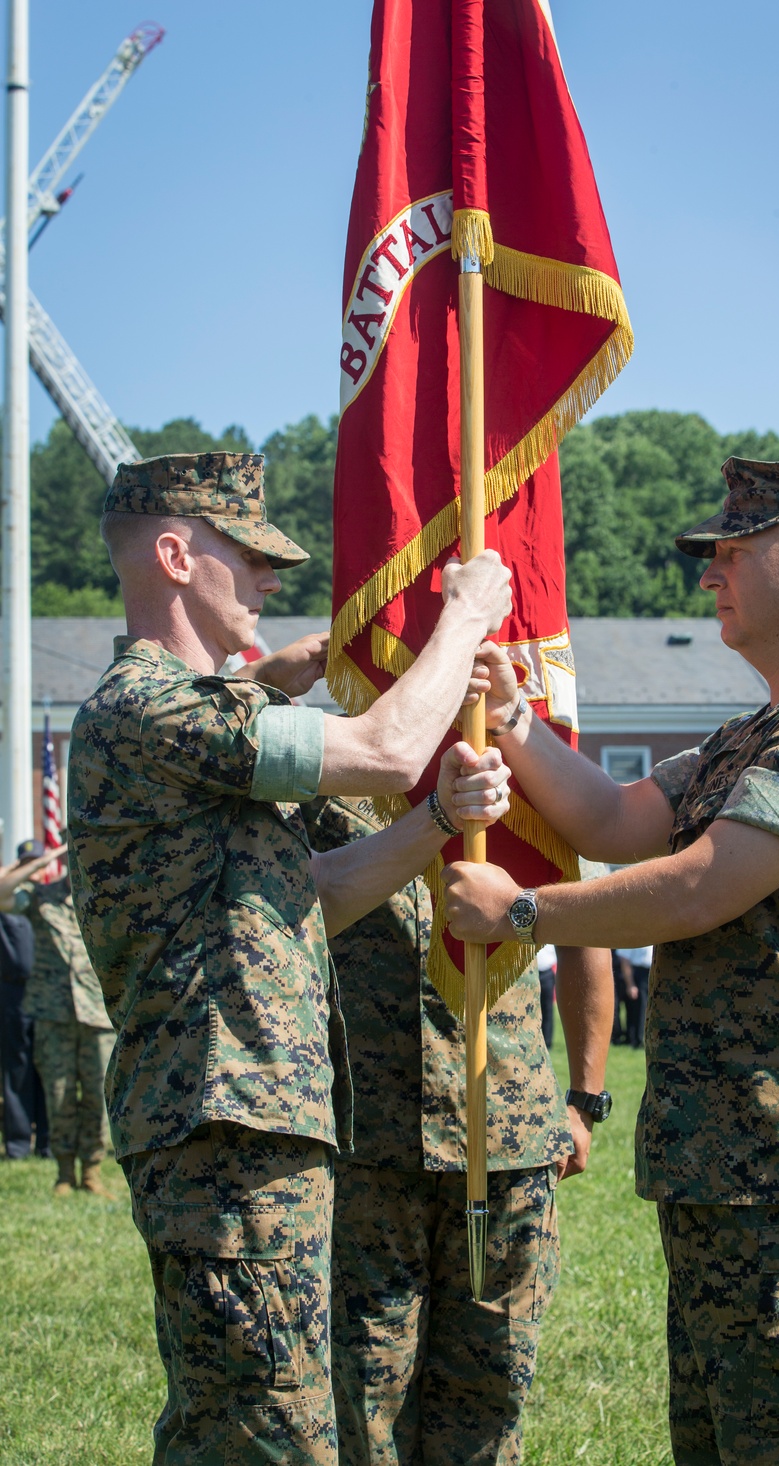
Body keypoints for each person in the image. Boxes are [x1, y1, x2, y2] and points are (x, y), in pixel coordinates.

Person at [443, 458, 779, 1466]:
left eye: (736, 553)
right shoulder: (746, 738)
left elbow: (702, 882)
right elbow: (614, 818)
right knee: (718, 1438)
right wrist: (518, 722)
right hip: (723, 1153)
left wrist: (523, 910)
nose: (710, 573)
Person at [67, 451, 513, 1466]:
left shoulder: (192, 717)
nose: (270, 578)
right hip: (221, 1123)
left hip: (250, 1121)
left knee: (249, 1421)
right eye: (249, 554)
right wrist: (466, 616)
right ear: (176, 555)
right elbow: (389, 750)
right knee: (265, 1434)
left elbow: (308, 899)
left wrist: (438, 821)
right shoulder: (154, 704)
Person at [303, 795, 613, 1465]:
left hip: (506, 1134)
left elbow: (584, 929)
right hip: (367, 1144)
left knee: (492, 1383)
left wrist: (585, 1102)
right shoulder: (323, 790)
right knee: (365, 1388)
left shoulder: (516, 796)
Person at [0, 839, 115, 1196]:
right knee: (60, 1093)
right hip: (53, 1014)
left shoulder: (103, 896)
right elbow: (2, 893)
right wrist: (46, 857)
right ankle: (64, 1173)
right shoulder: (40, 897)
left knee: (98, 1096)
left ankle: (92, 1171)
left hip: (97, 1013)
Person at [0, 844, 49, 1161]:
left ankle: (47, 1143)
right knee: (16, 1069)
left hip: (48, 993)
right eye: (28, 864)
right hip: (13, 994)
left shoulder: (50, 899)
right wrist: (23, 864)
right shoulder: (10, 899)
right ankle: (18, 1145)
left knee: (48, 1069)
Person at [615, 945, 652, 1048]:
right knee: (638, 1009)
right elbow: (624, 960)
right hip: (638, 974)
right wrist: (630, 984)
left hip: (651, 972)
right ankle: (635, 1039)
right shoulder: (634, 936)